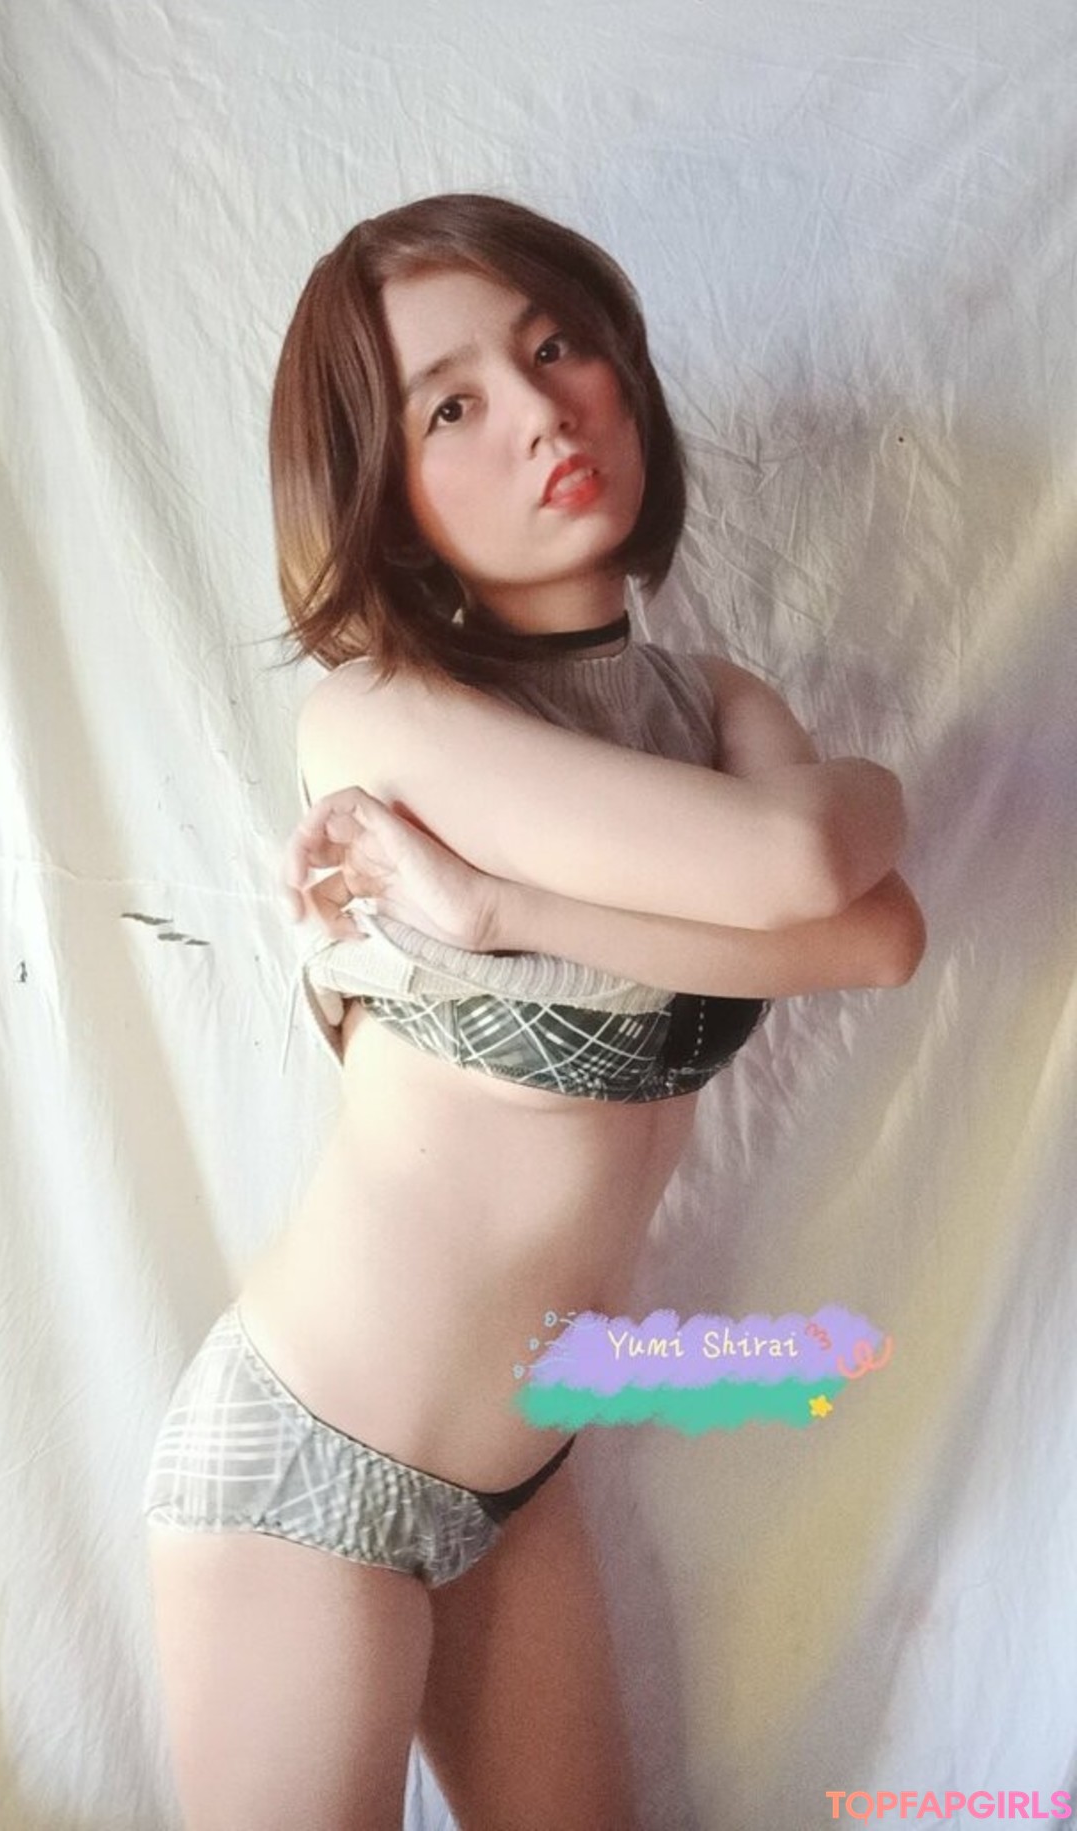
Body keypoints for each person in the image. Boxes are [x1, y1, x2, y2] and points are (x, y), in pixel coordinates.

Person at [142, 192, 925, 1831]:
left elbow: (876, 938)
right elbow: (804, 862)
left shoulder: (716, 703)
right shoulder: (381, 720)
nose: (542, 412)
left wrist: (502, 915)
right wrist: (843, 814)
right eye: (451, 406)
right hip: (305, 1474)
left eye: (556, 345)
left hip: (522, 1479)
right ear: (386, 493)